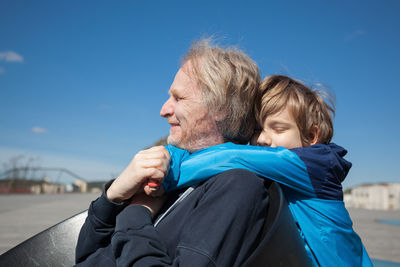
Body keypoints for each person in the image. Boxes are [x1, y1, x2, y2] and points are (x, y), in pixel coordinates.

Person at [75, 39, 269, 267]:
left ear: (221, 109)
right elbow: (87, 258)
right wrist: (113, 196)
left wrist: (135, 213)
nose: (163, 110)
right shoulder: (175, 175)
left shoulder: (236, 186)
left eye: (178, 98)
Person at [162, 75, 372, 266]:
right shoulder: (282, 169)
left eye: (278, 128)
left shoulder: (316, 166)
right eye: (257, 130)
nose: (262, 139)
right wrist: (173, 153)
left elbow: (231, 156)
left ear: (311, 136)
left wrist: (166, 174)